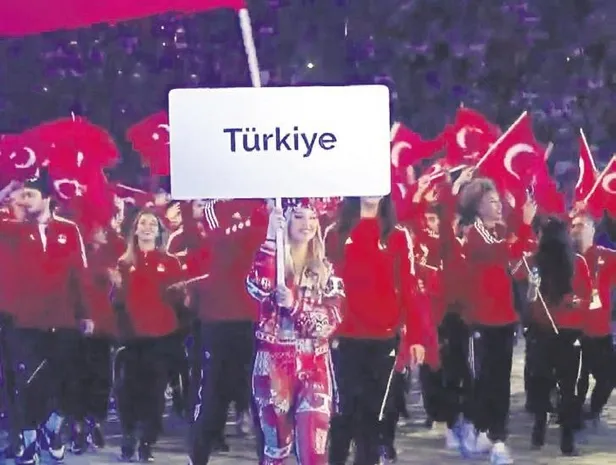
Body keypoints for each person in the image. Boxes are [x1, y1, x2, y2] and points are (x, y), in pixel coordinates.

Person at [0, 172, 94, 465]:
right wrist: (8, 189)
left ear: (47, 198)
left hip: (63, 319)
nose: (24, 200)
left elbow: (80, 273)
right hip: (25, 323)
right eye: (22, 195)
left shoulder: (69, 230)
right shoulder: (13, 229)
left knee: (63, 382)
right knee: (28, 384)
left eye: (30, 195)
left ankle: (52, 429)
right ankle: (29, 443)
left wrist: (86, 313)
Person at [325, 195, 426, 465]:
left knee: (373, 418)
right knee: (342, 415)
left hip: (383, 339)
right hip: (343, 339)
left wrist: (416, 337)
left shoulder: (398, 235)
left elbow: (409, 287)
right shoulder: (334, 233)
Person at [246, 198, 345, 465]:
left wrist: (295, 305)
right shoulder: (269, 262)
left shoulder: (327, 270)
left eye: (312, 218)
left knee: (315, 453)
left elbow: (329, 322)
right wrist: (271, 238)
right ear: (287, 221)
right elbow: (258, 288)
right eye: (299, 216)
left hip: (315, 366)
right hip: (273, 367)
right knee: (276, 449)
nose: (307, 224)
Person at [457, 178, 536, 464]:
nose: (498, 206)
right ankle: (479, 427)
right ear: (478, 207)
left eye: (498, 200)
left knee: (502, 381)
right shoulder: (474, 233)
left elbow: (517, 258)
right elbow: (502, 251)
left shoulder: (501, 231)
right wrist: (523, 225)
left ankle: (497, 436)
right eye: (491, 201)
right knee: (484, 379)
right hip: (481, 320)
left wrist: (523, 230)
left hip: (505, 318)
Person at [110, 209, 188, 462]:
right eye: (142, 223)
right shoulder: (123, 263)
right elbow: (117, 302)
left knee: (155, 393)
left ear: (159, 231)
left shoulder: (170, 261)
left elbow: (179, 301)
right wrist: (115, 286)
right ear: (135, 230)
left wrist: (181, 292)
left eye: (152, 224)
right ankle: (128, 435)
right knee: (127, 391)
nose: (147, 227)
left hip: (161, 337)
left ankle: (147, 441)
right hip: (131, 339)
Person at [516, 216, 591, 455]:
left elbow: (586, 297)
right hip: (554, 332)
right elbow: (522, 287)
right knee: (560, 386)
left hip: (558, 332)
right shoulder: (534, 263)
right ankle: (556, 435)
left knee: (551, 384)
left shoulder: (575, 262)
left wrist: (573, 301)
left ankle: (549, 433)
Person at [571, 212, 616, 425]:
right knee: (576, 379)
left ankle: (593, 410)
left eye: (582, 225)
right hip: (573, 329)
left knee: (609, 376)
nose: (577, 229)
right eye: (574, 225)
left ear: (593, 229)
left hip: (599, 331)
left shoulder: (605, 256)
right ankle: (572, 414)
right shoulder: (566, 257)